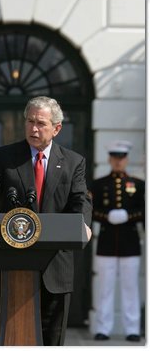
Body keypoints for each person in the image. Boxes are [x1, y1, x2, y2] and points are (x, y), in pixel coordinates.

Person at [0, 96, 92, 346]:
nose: (34, 128)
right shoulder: (3, 157)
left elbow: (81, 200)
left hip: (55, 265)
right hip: (12, 262)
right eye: (29, 121)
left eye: (41, 123)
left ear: (56, 128)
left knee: (51, 338)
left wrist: (85, 226)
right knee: (11, 335)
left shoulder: (73, 162)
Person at [91, 140, 145, 342]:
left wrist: (128, 216)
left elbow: (143, 211)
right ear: (109, 159)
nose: (118, 161)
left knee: (130, 287)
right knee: (105, 287)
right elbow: (92, 211)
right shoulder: (98, 184)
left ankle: (132, 329)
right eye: (114, 158)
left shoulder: (138, 185)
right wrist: (107, 216)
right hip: (106, 242)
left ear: (126, 159)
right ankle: (103, 328)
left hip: (130, 242)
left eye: (121, 158)